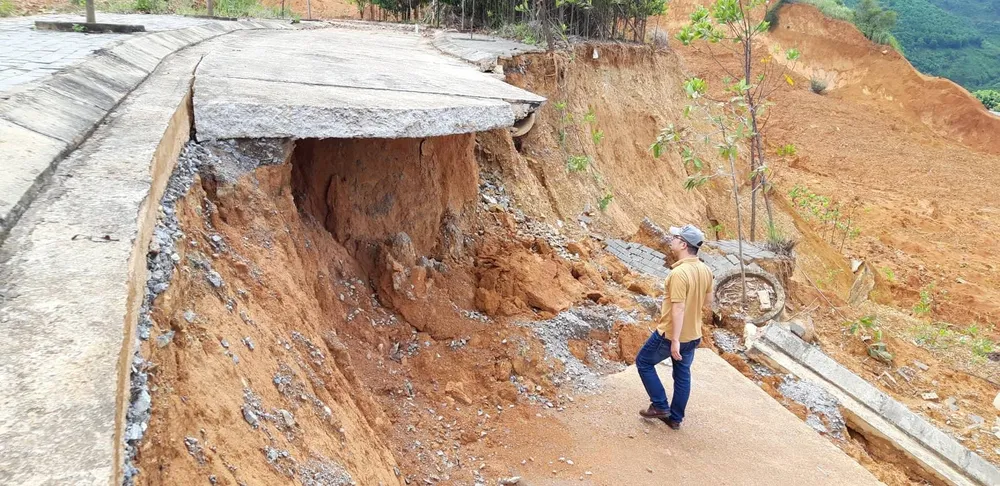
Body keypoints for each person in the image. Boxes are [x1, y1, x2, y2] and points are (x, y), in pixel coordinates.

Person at [635, 224, 714, 430]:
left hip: (670, 335)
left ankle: (660, 405)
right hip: (693, 334)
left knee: (643, 362)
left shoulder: (679, 274)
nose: (671, 239)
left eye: (675, 237)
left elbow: (678, 309)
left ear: (683, 244)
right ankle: (675, 418)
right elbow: (708, 301)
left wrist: (675, 340)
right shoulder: (705, 270)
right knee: (682, 375)